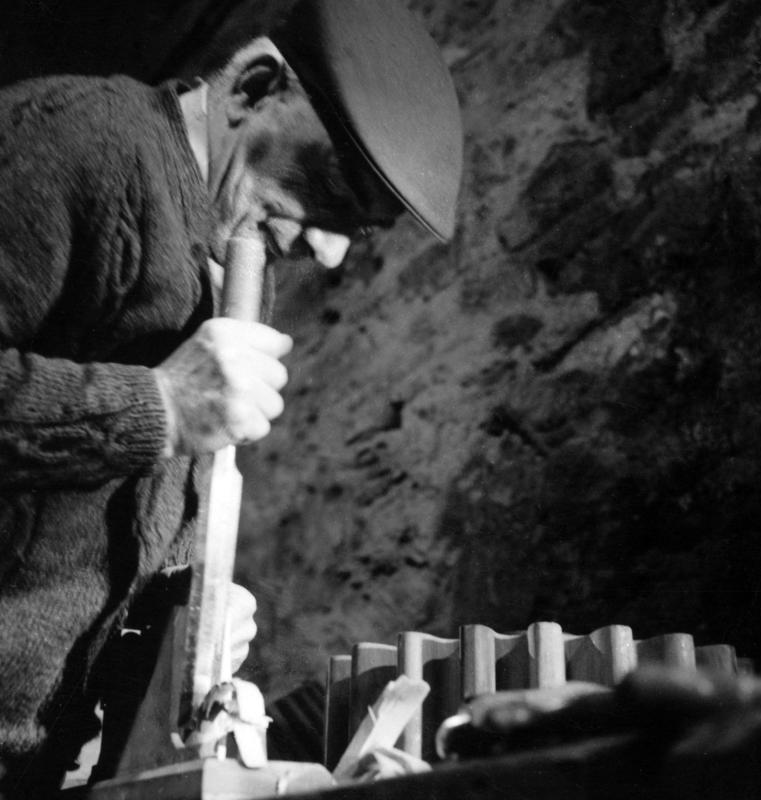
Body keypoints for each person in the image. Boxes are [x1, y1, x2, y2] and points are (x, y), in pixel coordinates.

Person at [0, 0, 461, 796]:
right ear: (252, 87)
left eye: (362, 230)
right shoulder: (77, 136)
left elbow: (86, 521)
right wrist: (158, 407)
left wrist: (182, 606)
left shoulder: (239, 263)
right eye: (330, 187)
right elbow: (144, 416)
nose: (328, 247)